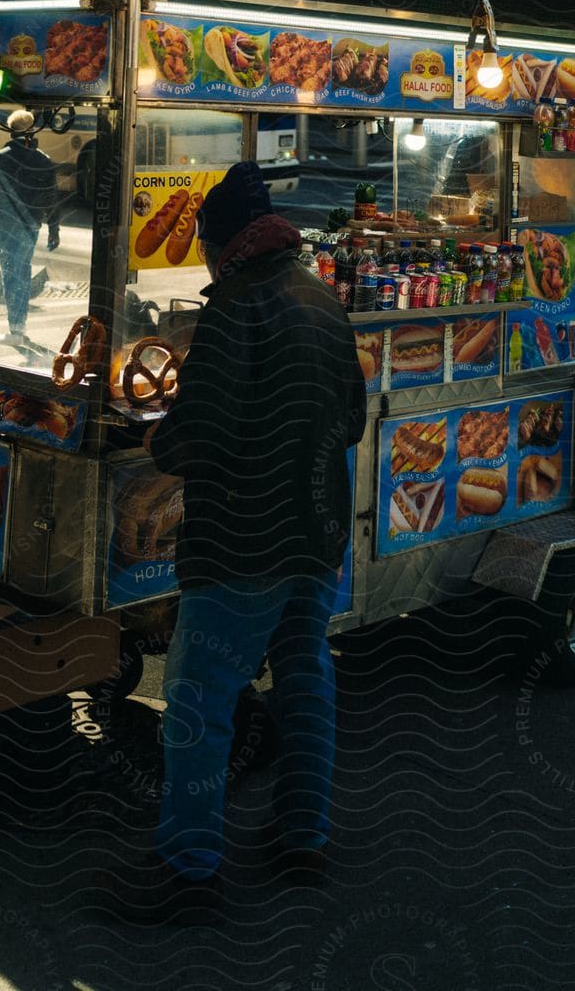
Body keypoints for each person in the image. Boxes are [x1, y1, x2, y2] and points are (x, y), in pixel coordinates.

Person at [109, 161, 366, 925]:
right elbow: (351, 418)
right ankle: (303, 841)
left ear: (223, 245)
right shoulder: (321, 297)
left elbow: (203, 435)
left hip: (245, 542)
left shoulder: (237, 308)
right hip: (317, 532)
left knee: (198, 697)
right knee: (306, 677)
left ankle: (189, 869)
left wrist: (161, 443)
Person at [0, 109, 61, 345]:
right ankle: (19, 327)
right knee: (22, 271)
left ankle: (14, 330)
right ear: (32, 129)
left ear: (10, 128)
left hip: (5, 225)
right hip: (31, 225)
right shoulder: (43, 160)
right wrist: (54, 230)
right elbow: (52, 199)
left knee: (10, 273)